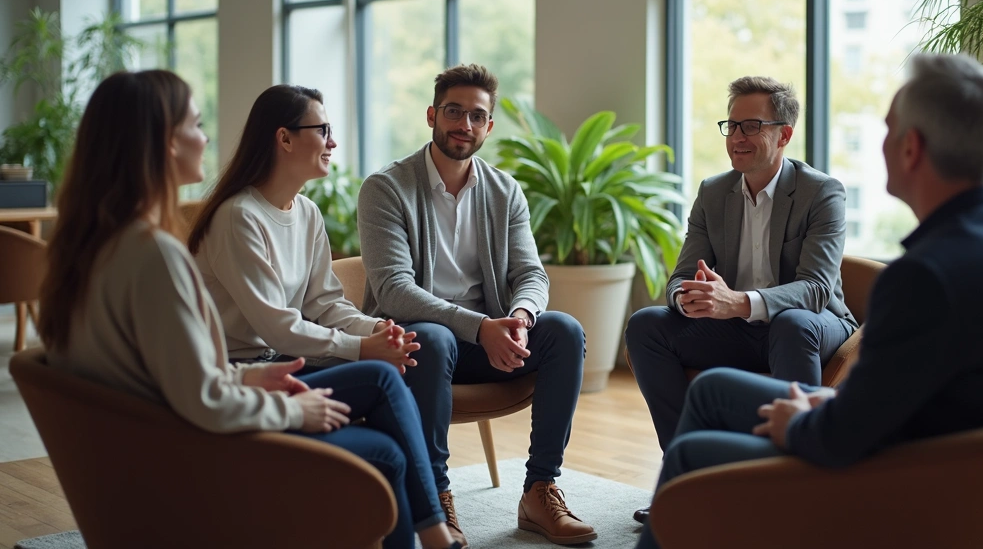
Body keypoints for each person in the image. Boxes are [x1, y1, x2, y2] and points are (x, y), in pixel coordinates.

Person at [633, 54, 983, 549]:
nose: (881, 144)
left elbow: (844, 433)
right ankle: (736, 511)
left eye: (887, 130)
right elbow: (903, 399)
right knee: (713, 388)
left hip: (913, 493)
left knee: (692, 454)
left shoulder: (923, 278)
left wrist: (803, 419)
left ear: (910, 148)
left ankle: (763, 510)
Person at [39, 70, 457, 549]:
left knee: (382, 394)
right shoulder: (160, 251)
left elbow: (165, 375)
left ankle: (435, 535)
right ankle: (436, 534)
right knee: (384, 441)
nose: (207, 136)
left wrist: (367, 335)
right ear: (164, 143)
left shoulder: (96, 249)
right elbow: (203, 394)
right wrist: (291, 408)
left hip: (164, 433)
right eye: (195, 125)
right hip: (189, 449)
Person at [358, 64, 595, 547]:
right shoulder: (385, 188)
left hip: (486, 341)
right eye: (453, 111)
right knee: (435, 334)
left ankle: (540, 488)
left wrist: (521, 319)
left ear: (488, 126)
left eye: (476, 116)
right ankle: (435, 496)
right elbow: (393, 291)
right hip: (419, 343)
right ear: (431, 115)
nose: (463, 124)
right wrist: (481, 325)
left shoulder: (504, 191)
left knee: (565, 331)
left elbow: (531, 274)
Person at [625, 76, 856, 523]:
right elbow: (679, 277)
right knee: (646, 324)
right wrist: (688, 298)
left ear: (783, 135)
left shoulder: (821, 192)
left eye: (751, 126)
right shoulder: (714, 192)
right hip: (735, 328)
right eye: (731, 126)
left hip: (814, 323)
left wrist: (741, 302)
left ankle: (788, 487)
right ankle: (684, 478)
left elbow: (815, 289)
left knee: (791, 324)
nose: (737, 138)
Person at [188, 85, 412, 373]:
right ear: (284, 138)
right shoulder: (238, 216)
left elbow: (325, 305)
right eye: (323, 131)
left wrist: (377, 329)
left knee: (397, 366)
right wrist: (360, 348)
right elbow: (276, 328)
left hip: (282, 359)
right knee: (379, 376)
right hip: (236, 371)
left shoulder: (307, 211)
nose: (332, 143)